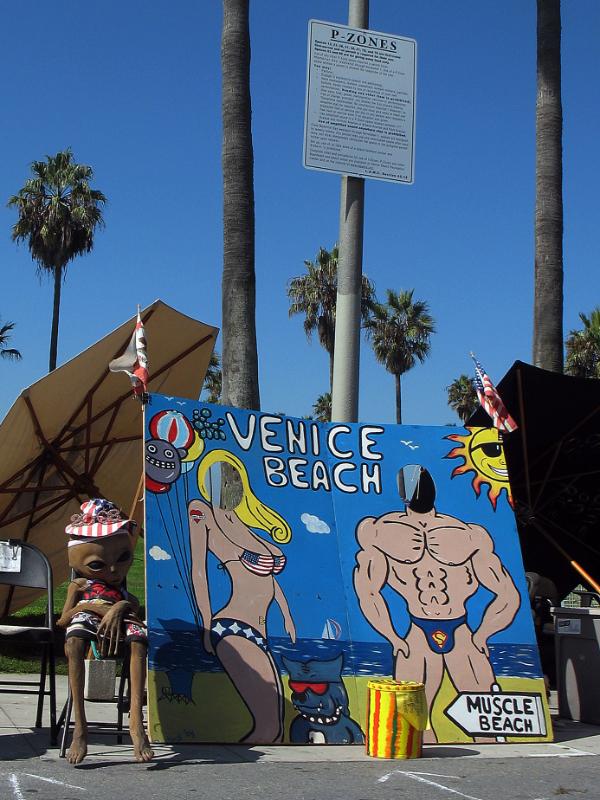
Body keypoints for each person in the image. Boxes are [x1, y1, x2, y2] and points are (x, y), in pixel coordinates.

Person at [353, 467, 520, 742]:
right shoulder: (379, 532)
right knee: (413, 724)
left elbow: (507, 593)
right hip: (417, 634)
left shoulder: (469, 535)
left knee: (486, 720)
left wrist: (483, 633)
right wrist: (392, 636)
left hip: (463, 633)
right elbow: (368, 592)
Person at [188, 449, 296, 743]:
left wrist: (286, 614)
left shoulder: (245, 523)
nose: (229, 484)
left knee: (276, 729)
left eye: (234, 477)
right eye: (223, 478)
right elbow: (199, 572)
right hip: (234, 628)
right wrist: (205, 626)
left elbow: (269, 579)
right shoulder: (202, 512)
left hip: (260, 633)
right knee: (268, 728)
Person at [57, 499, 153, 764]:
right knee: (74, 641)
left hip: (120, 616)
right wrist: (94, 608)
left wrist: (119, 607)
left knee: (139, 640)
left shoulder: (121, 590)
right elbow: (63, 619)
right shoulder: (79, 585)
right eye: (98, 564)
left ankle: (136, 723)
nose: (113, 570)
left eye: (122, 559)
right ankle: (80, 727)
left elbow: (133, 605)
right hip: (88, 614)